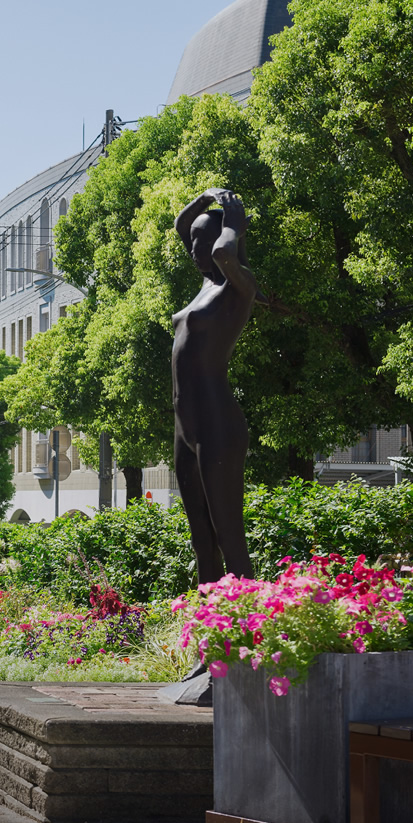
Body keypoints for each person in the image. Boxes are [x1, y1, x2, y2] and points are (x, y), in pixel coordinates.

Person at [172, 188, 256, 584]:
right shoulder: (205, 285)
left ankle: (250, 615)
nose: (194, 248)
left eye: (202, 240)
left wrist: (233, 224)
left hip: (217, 423)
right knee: (202, 541)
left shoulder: (238, 286)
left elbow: (223, 253)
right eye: (193, 242)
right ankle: (209, 617)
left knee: (229, 538)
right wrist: (205, 198)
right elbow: (181, 226)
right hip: (185, 427)